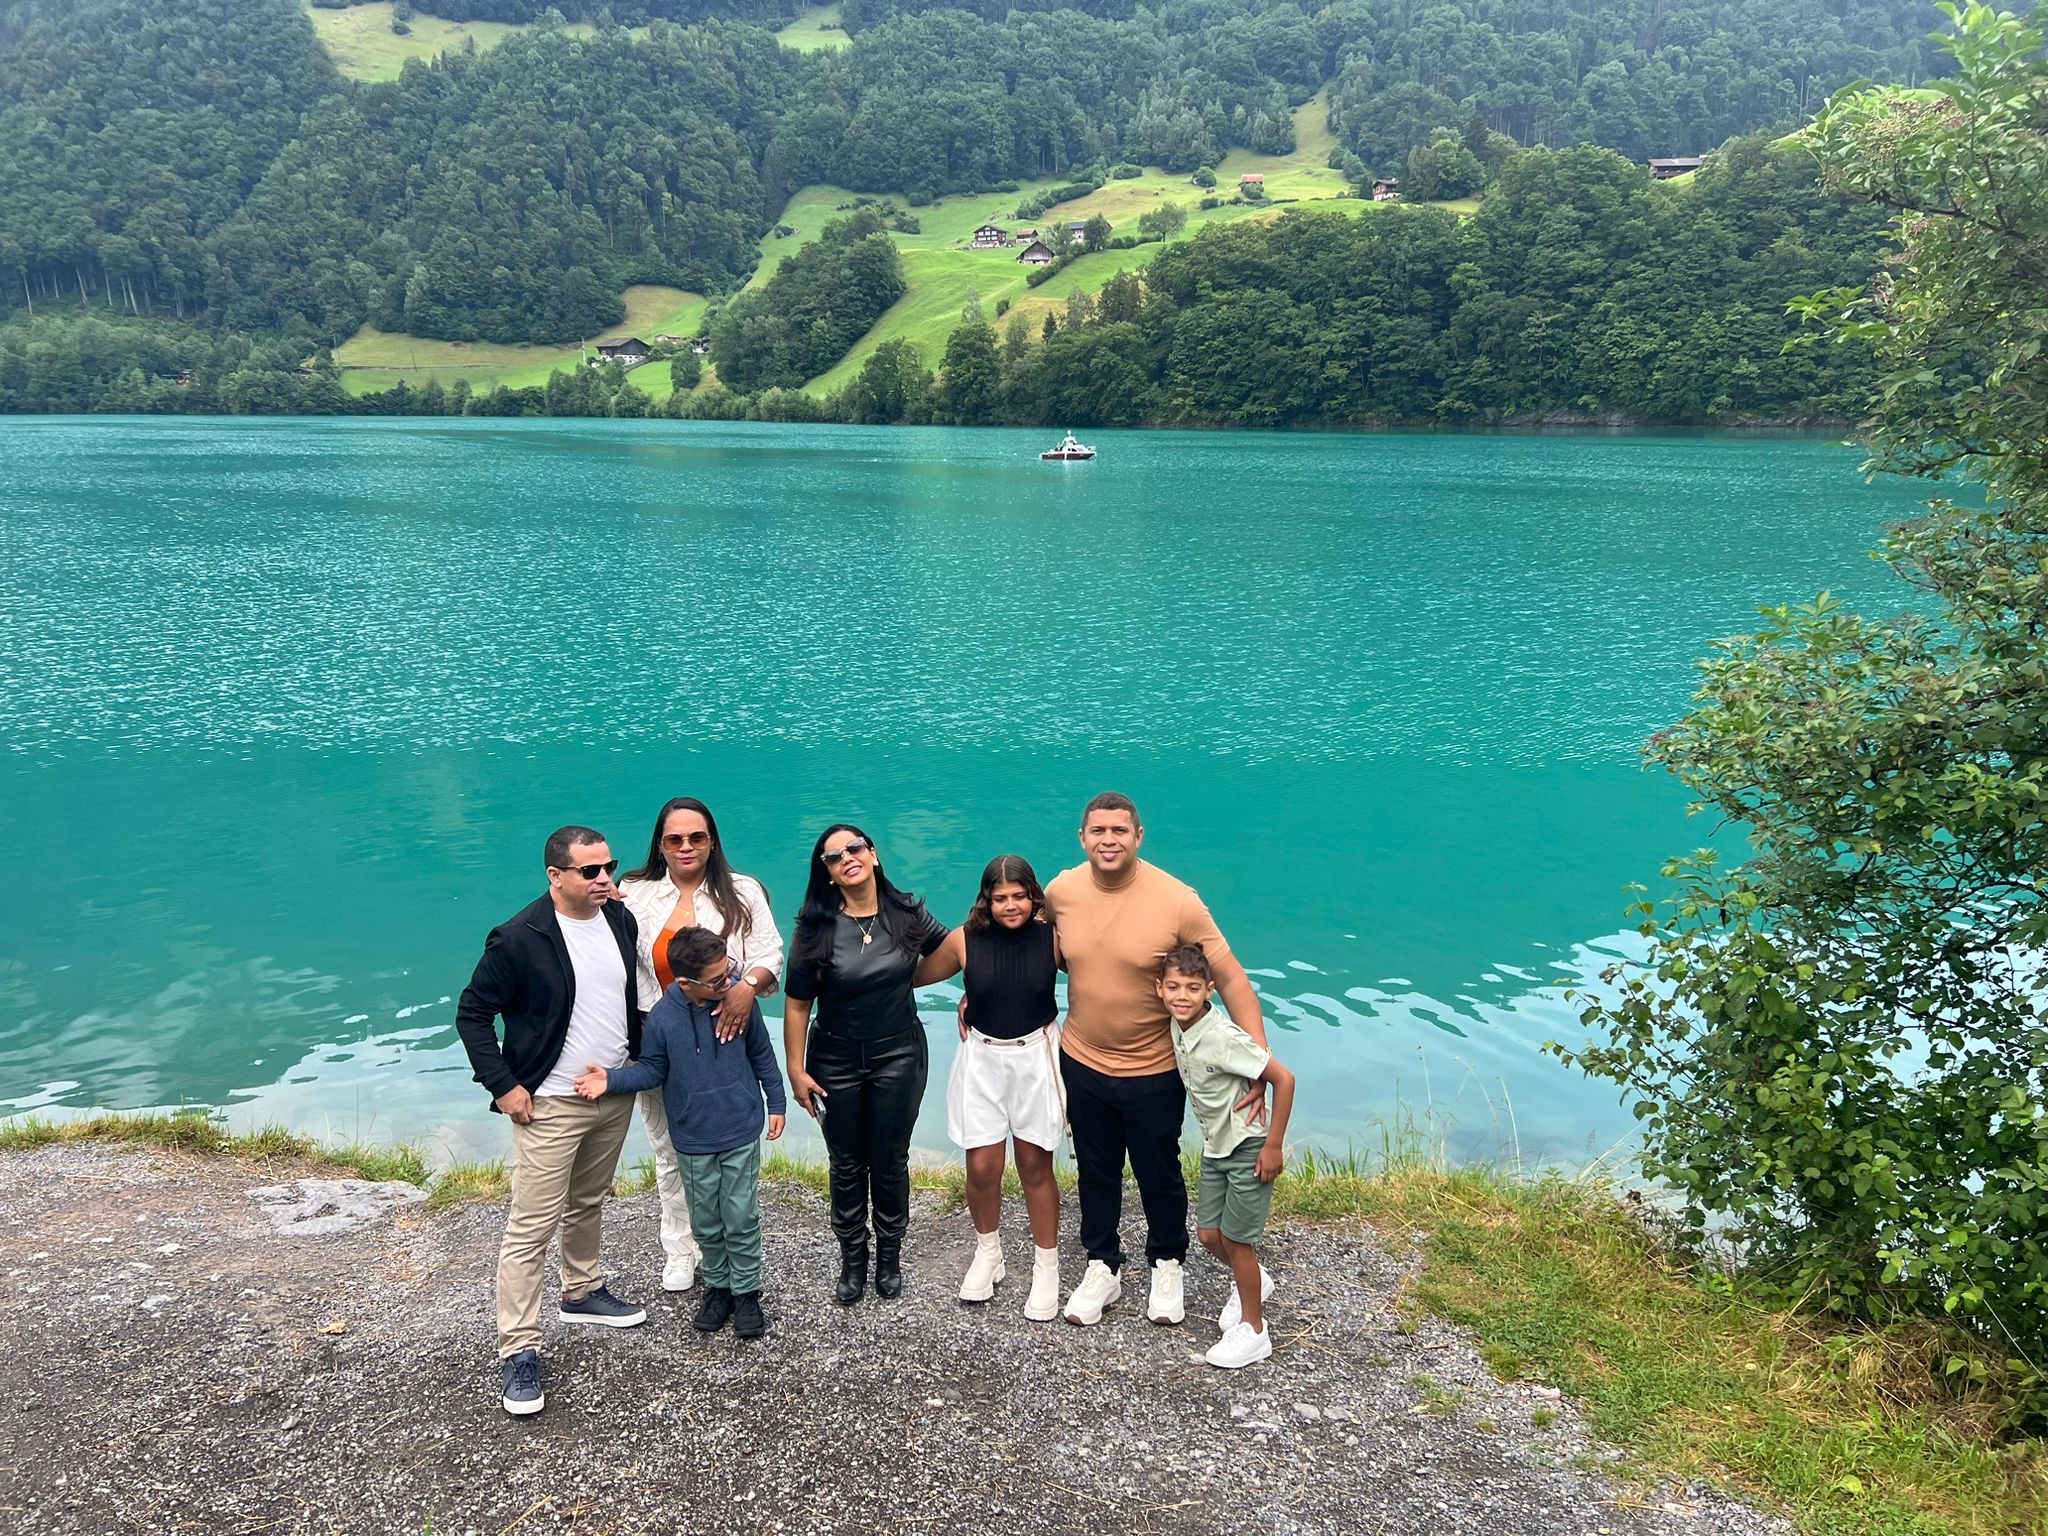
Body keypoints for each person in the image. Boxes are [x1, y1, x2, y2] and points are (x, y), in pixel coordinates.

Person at [1045, 791, 1268, 1329]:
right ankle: (1103, 1265)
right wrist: (977, 995)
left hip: (1154, 1067)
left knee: (1158, 1171)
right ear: (1082, 838)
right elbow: (1033, 953)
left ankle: (1167, 1262)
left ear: (1138, 837)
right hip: (1081, 1059)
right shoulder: (1061, 891)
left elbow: (1232, 976)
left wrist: (1257, 1062)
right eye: (1098, 831)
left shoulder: (1177, 900)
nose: (1109, 840)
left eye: (1120, 831)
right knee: (1095, 1170)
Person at [453, 825, 648, 1419]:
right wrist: (505, 1086)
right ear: (554, 875)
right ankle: (519, 1349)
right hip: (550, 1101)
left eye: (608, 867)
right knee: (530, 1227)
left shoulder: (618, 919)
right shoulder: (517, 938)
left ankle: (582, 1290)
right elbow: (472, 1014)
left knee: (588, 1199)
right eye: (590, 871)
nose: (604, 880)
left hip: (610, 1091)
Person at [575, 926, 787, 1340]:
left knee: (741, 1215)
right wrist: (611, 1081)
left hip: (740, 1127)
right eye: (717, 980)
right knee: (706, 1221)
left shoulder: (740, 1005)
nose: (728, 983)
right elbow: (653, 1070)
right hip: (690, 1137)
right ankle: (719, 1288)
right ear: (685, 982)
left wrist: (776, 1103)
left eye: (729, 972)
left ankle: (746, 1293)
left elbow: (762, 1054)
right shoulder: (662, 1019)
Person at [616, 797, 784, 1294]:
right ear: (660, 845)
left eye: (697, 837)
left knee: (728, 1148)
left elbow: (770, 950)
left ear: (712, 840)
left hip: (728, 1031)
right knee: (669, 1148)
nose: (686, 847)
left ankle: (736, 1253)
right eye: (675, 839)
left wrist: (746, 987)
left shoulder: (742, 891)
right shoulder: (633, 891)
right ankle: (680, 1247)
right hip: (658, 1032)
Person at [783, 824, 949, 1304]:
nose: (846, 858)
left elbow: (950, 953)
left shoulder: (907, 913)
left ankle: (890, 1255)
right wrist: (797, 1069)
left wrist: (912, 986)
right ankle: (852, 1259)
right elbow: (797, 1004)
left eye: (854, 848)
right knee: (847, 1162)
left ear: (873, 855)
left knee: (891, 1159)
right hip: (834, 1057)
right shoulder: (814, 928)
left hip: (898, 1053)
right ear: (828, 873)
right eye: (833, 857)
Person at [913, 855, 1065, 1319]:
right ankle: (988, 1252)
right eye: (1000, 898)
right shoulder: (965, 941)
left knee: (1035, 1164)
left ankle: (1047, 1266)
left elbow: (1099, 979)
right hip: (981, 1058)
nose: (1011, 906)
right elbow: (912, 977)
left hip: (1035, 1055)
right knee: (981, 1168)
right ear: (986, 900)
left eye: (1019, 896)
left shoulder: (1053, 940)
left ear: (1033, 896)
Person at [1158, 944, 1296, 1368]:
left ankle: (1255, 1331)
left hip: (1248, 1147)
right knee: (1209, 1236)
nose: (1182, 996)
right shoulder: (1179, 1024)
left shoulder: (1220, 1036)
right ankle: (1253, 1279)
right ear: (1159, 989)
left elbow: (1284, 1079)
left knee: (1238, 1239)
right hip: (1217, 1147)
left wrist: (1273, 1146)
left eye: (1193, 988)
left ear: (1210, 991)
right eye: (1174, 987)